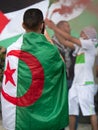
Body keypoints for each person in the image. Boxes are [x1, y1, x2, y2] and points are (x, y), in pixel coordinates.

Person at [1, 8, 69, 130]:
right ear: (42, 25)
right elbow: (62, 66)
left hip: (23, 118)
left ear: (23, 25)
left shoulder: (12, 49)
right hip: (48, 115)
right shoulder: (51, 51)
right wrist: (48, 39)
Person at [45, 19, 98, 130]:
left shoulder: (90, 44)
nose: (80, 34)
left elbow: (69, 38)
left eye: (83, 32)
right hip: (76, 84)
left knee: (90, 112)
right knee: (72, 111)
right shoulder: (80, 47)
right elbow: (65, 42)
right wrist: (53, 32)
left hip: (86, 84)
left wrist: (54, 27)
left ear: (89, 34)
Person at [51, 20, 75, 89]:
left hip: (71, 80)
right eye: (68, 26)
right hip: (57, 81)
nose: (70, 29)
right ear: (60, 29)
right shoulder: (51, 44)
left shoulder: (72, 44)